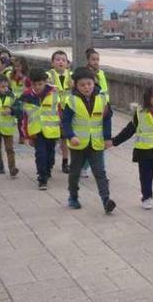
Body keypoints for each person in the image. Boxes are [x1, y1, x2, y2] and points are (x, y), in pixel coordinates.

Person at [112, 83, 153, 214]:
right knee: (146, 177)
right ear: (148, 98)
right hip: (144, 152)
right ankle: (146, 197)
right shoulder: (140, 113)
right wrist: (115, 141)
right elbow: (130, 130)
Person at [62, 67, 115, 212]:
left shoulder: (102, 99)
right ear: (76, 85)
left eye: (89, 84)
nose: (86, 87)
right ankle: (73, 197)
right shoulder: (71, 100)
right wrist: (71, 136)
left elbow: (107, 119)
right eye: (82, 85)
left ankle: (106, 200)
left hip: (96, 143)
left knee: (100, 172)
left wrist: (107, 138)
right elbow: (65, 121)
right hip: (78, 144)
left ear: (94, 82)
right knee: (75, 172)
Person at [16, 70, 61, 190]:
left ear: (45, 82)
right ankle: (42, 178)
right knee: (40, 154)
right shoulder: (27, 97)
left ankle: (48, 168)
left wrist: (63, 129)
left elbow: (60, 112)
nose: (37, 87)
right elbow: (23, 116)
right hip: (36, 132)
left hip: (52, 131)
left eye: (40, 84)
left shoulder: (54, 94)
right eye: (34, 84)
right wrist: (27, 135)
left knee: (50, 155)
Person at [79, 48, 109, 178]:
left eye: (97, 59)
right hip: (92, 110)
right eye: (93, 59)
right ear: (88, 60)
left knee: (100, 142)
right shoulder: (86, 75)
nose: (96, 62)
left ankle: (99, 170)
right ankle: (84, 167)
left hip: (105, 108)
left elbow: (105, 90)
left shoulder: (101, 73)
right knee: (90, 143)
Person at [46, 50, 73, 173]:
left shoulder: (72, 76)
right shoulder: (48, 75)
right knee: (51, 136)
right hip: (53, 110)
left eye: (63, 60)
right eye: (57, 59)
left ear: (68, 63)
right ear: (52, 63)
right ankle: (50, 159)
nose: (60, 62)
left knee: (65, 137)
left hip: (68, 110)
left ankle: (65, 162)